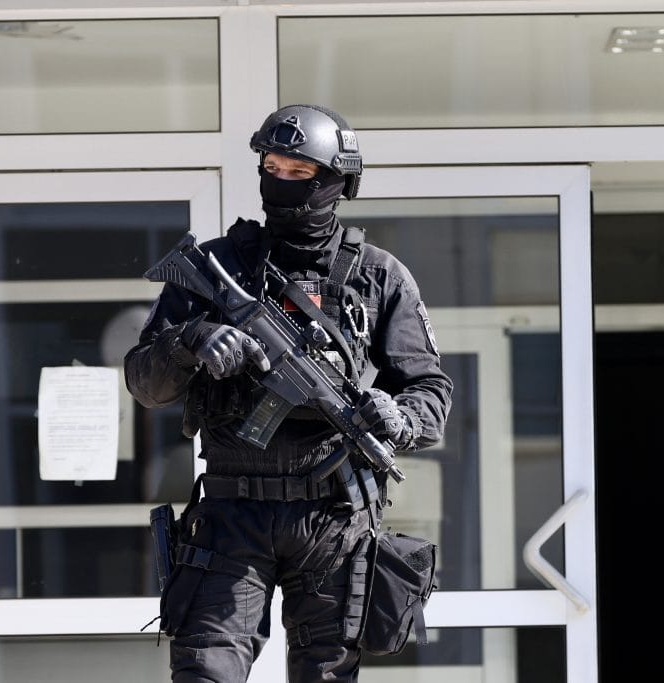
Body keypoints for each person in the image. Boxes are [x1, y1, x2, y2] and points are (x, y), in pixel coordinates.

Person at [125, 104, 453, 682]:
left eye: (299, 173)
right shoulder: (218, 266)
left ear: (338, 182)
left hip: (335, 515)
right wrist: (190, 341)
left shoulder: (377, 276)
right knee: (205, 670)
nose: (281, 182)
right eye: (271, 168)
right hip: (232, 512)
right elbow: (144, 383)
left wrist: (399, 416)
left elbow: (429, 389)